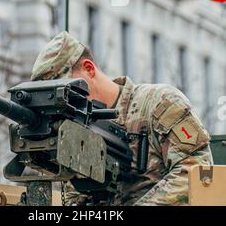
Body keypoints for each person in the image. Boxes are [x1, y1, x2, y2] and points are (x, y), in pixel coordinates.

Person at [30, 31, 213, 206]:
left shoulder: (158, 103)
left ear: (89, 69)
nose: (63, 101)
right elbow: (73, 196)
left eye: (67, 89)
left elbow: (196, 170)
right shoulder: (75, 129)